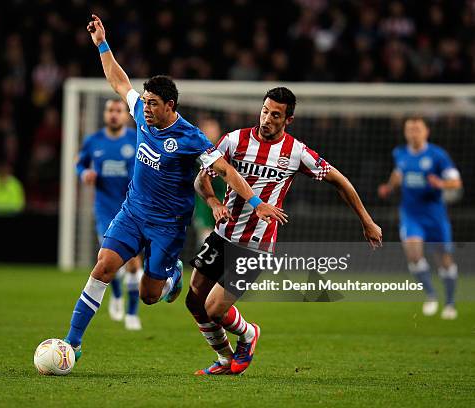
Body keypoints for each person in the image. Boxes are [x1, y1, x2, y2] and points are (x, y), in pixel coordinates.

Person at [63, 14, 286, 362]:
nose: (146, 109)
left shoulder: (191, 138)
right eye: (146, 102)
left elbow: (224, 170)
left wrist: (255, 200)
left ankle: (171, 277)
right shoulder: (140, 114)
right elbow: (120, 83)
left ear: (170, 106)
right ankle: (72, 344)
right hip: (133, 211)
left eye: (153, 104)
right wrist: (102, 44)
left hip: (168, 224)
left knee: (151, 295)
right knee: (103, 266)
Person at [187, 87, 383, 375]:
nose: (267, 118)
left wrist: (367, 220)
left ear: (288, 120)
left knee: (214, 308)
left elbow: (340, 180)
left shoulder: (296, 152)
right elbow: (200, 180)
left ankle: (249, 333)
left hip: (256, 245)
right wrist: (215, 201)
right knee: (194, 300)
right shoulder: (233, 140)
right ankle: (226, 359)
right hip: (223, 234)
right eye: (265, 110)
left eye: (275, 115)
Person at [378, 117, 461, 320]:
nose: (413, 133)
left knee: (444, 261)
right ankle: (431, 295)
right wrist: (389, 187)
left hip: (435, 216)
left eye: (417, 129)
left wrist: (441, 184)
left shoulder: (438, 155)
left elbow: (456, 182)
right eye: (410, 129)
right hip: (410, 214)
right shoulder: (400, 153)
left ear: (426, 132)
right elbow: (398, 174)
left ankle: (450, 303)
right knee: (413, 252)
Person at [76, 98, 144, 331]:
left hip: (132, 209)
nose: (114, 114)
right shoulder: (93, 141)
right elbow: (80, 163)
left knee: (134, 265)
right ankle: (116, 295)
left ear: (126, 115)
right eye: (110, 110)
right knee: (108, 262)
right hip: (105, 210)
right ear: (105, 115)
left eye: (118, 110)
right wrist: (84, 172)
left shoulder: (135, 139)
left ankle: (132, 313)